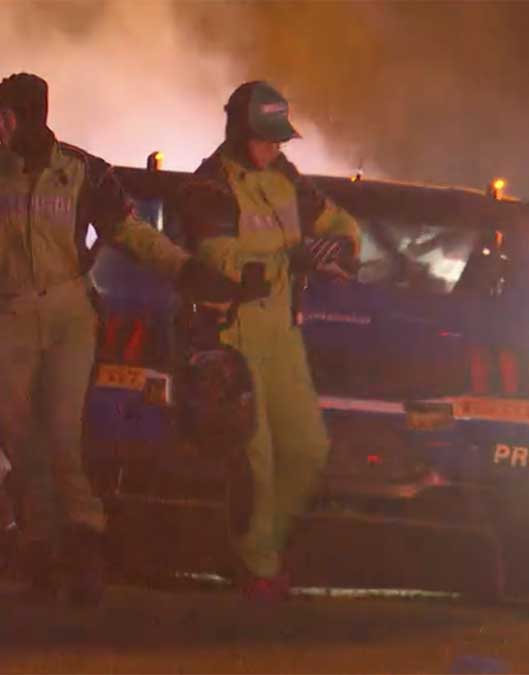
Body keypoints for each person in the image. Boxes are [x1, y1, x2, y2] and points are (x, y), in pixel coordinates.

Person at [0, 73, 239, 605]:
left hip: (67, 313)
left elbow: (133, 234)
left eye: (4, 115)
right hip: (5, 314)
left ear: (33, 115)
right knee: (17, 438)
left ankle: (81, 550)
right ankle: (40, 549)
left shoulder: (85, 173)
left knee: (61, 435)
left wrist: (187, 272)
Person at [177, 81, 360, 602]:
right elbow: (220, 259)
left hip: (283, 333)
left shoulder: (285, 177)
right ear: (239, 133)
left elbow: (338, 220)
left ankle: (259, 553)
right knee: (255, 461)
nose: (276, 148)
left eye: (280, 139)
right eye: (266, 138)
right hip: (231, 335)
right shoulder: (208, 187)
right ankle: (258, 566)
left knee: (308, 449)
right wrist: (291, 260)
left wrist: (344, 247)